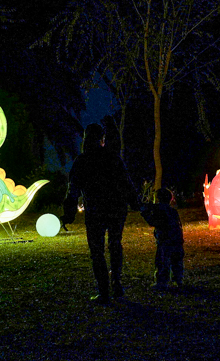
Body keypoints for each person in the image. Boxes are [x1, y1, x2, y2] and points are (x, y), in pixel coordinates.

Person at [64, 123, 140, 304]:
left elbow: (73, 190)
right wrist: (136, 203)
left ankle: (104, 290)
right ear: (102, 140)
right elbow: (126, 182)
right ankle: (117, 284)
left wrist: (69, 213)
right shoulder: (113, 158)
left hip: (96, 210)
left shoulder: (82, 161)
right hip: (116, 208)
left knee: (97, 250)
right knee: (115, 244)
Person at [140, 188, 185, 291]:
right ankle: (178, 280)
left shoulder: (160, 210)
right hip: (176, 239)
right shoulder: (173, 211)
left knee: (162, 261)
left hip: (165, 240)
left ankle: (161, 282)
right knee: (176, 261)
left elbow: (153, 222)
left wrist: (145, 213)